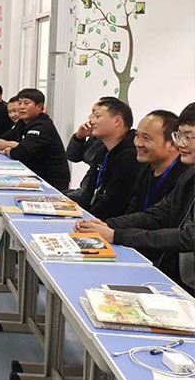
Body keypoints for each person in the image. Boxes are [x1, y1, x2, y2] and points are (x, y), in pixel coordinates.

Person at [76, 103, 195, 290]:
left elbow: (188, 237)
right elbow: (158, 213)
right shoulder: (188, 176)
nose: (181, 144)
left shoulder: (181, 172)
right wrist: (108, 225)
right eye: (179, 136)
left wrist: (117, 235)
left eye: (188, 137)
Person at [68, 97, 141, 219]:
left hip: (114, 221)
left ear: (117, 121)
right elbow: (89, 191)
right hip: (95, 214)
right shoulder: (103, 151)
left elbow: (114, 202)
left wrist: (87, 219)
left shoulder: (131, 155)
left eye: (97, 116)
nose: (91, 121)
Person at [0, 88, 70, 191]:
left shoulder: (43, 126)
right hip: (31, 176)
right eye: (19, 103)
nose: (22, 107)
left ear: (39, 106)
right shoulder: (22, 123)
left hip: (50, 181)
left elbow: (19, 153)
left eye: (26, 103)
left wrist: (10, 149)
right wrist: (15, 145)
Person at [126, 110, 188, 214]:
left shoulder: (186, 178)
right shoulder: (145, 170)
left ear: (172, 144)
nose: (138, 143)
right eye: (137, 135)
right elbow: (132, 210)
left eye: (146, 138)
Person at [64, 100, 108, 200]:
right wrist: (79, 137)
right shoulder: (97, 137)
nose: (90, 118)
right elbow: (73, 157)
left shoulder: (108, 141)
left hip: (93, 195)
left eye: (97, 115)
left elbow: (90, 158)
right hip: (85, 190)